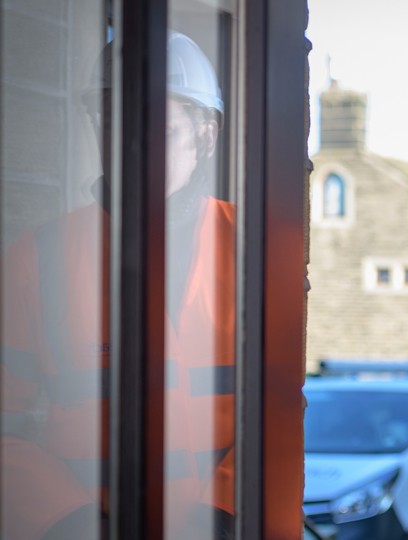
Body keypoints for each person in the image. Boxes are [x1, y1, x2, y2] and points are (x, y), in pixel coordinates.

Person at [1, 31, 236, 539]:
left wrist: (222, 513)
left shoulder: (253, 249)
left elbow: (285, 408)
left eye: (161, 129)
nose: (132, 145)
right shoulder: (35, 260)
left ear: (206, 137)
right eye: (112, 122)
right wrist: (71, 524)